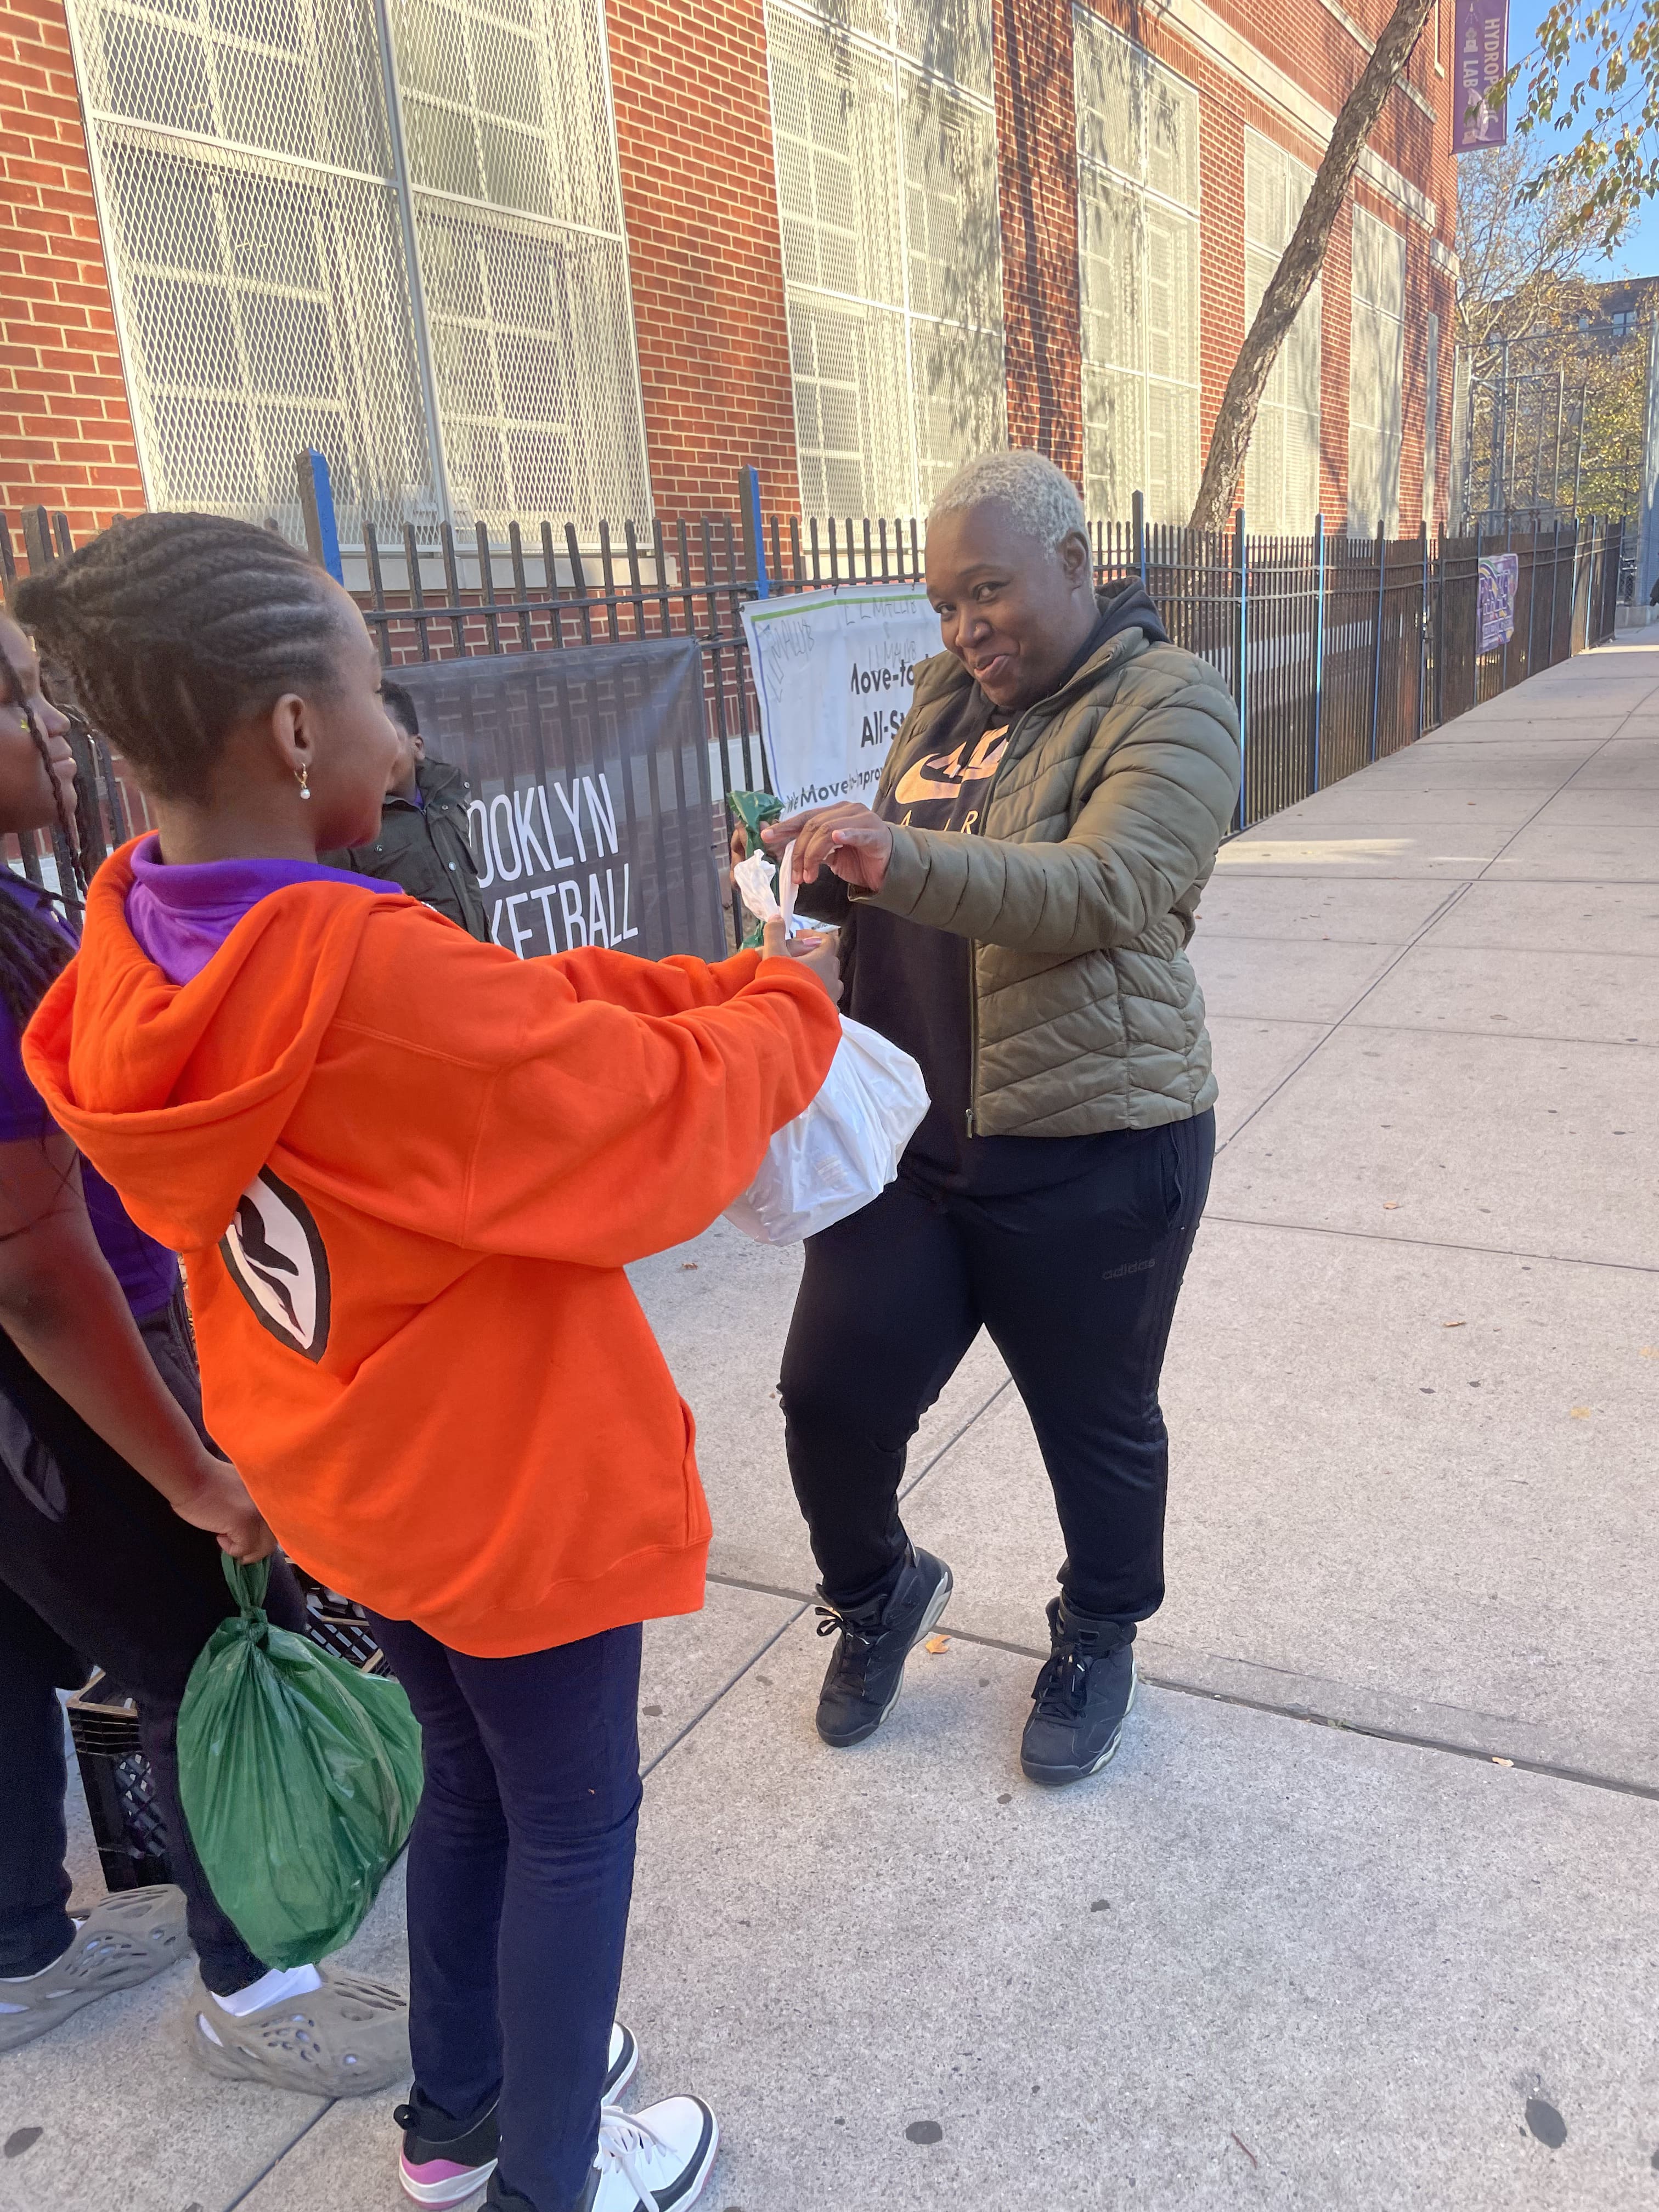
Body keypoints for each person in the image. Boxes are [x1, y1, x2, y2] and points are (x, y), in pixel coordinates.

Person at [16, 512, 841, 2212]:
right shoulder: (363, 968)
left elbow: (522, 1018)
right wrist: (788, 1009)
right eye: (378, 690)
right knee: (572, 1824)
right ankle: (550, 2176)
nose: (403, 731)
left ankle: (456, 2117)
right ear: (295, 731)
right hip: (507, 1493)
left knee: (466, 1785)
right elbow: (637, 1123)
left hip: (347, 1476)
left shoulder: (136, 948)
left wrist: (706, 983)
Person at [763, 450, 1242, 1787]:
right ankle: (877, 1593)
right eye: (943, 605)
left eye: (989, 591)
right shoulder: (942, 700)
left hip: (1095, 1141)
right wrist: (819, 903)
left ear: (1078, 564)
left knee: (1093, 1419)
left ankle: (1098, 1630)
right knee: (829, 1395)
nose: (966, 628)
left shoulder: (1173, 702)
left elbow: (1109, 886)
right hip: (911, 1138)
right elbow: (894, 884)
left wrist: (898, 855)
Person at [0, 613, 409, 2091]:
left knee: (7, 1647)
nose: (52, 730)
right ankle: (262, 1989)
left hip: (54, 1375)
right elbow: (38, 1281)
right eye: (16, 703)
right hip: (51, 1389)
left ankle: (20, 1953)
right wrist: (186, 1472)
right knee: (195, 1650)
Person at [320, 678, 490, 940]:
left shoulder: (448, 800)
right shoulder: (349, 828)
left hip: (479, 964)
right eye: (359, 742)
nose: (371, 754)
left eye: (385, 737)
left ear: (417, 747)